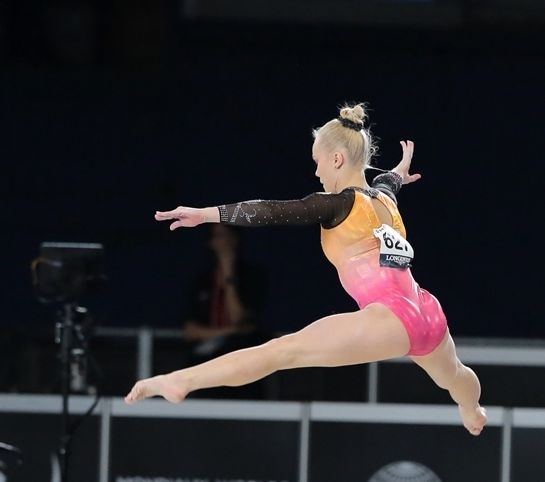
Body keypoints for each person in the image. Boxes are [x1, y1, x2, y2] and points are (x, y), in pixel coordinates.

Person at [126, 103, 486, 436]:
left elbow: (271, 211)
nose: (316, 172)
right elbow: (386, 182)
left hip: (390, 318)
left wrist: (205, 214)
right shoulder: (384, 199)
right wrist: (397, 173)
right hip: (426, 310)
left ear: (337, 158)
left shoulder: (338, 204)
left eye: (318, 162)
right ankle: (472, 410)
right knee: (455, 375)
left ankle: (181, 381)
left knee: (281, 352)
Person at [183, 223, 269, 362]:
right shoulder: (201, 280)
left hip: (241, 353)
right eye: (218, 236)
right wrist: (230, 332)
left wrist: (229, 275)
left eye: (228, 235)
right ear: (211, 242)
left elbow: (239, 319)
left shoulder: (253, 277)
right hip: (205, 353)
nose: (224, 241)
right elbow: (190, 331)